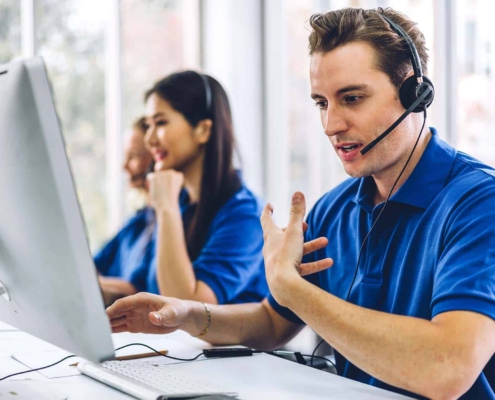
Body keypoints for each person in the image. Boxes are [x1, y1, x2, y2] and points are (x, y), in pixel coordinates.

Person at [106, 7, 495, 399]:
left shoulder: (480, 203)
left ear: (414, 93)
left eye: (352, 98)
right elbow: (272, 321)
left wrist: (294, 290)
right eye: (322, 103)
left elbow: (448, 369)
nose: (331, 125)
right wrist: (185, 314)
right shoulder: (335, 208)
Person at [141, 70, 268, 305]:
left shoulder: (245, 214)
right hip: (172, 342)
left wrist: (166, 207)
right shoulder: (181, 203)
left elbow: (188, 310)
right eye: (147, 125)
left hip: (222, 343)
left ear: (203, 130)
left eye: (160, 123)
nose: (149, 139)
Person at [95, 117, 155, 303]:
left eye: (134, 156)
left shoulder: (170, 226)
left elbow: (137, 291)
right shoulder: (138, 221)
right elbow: (94, 266)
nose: (124, 166)